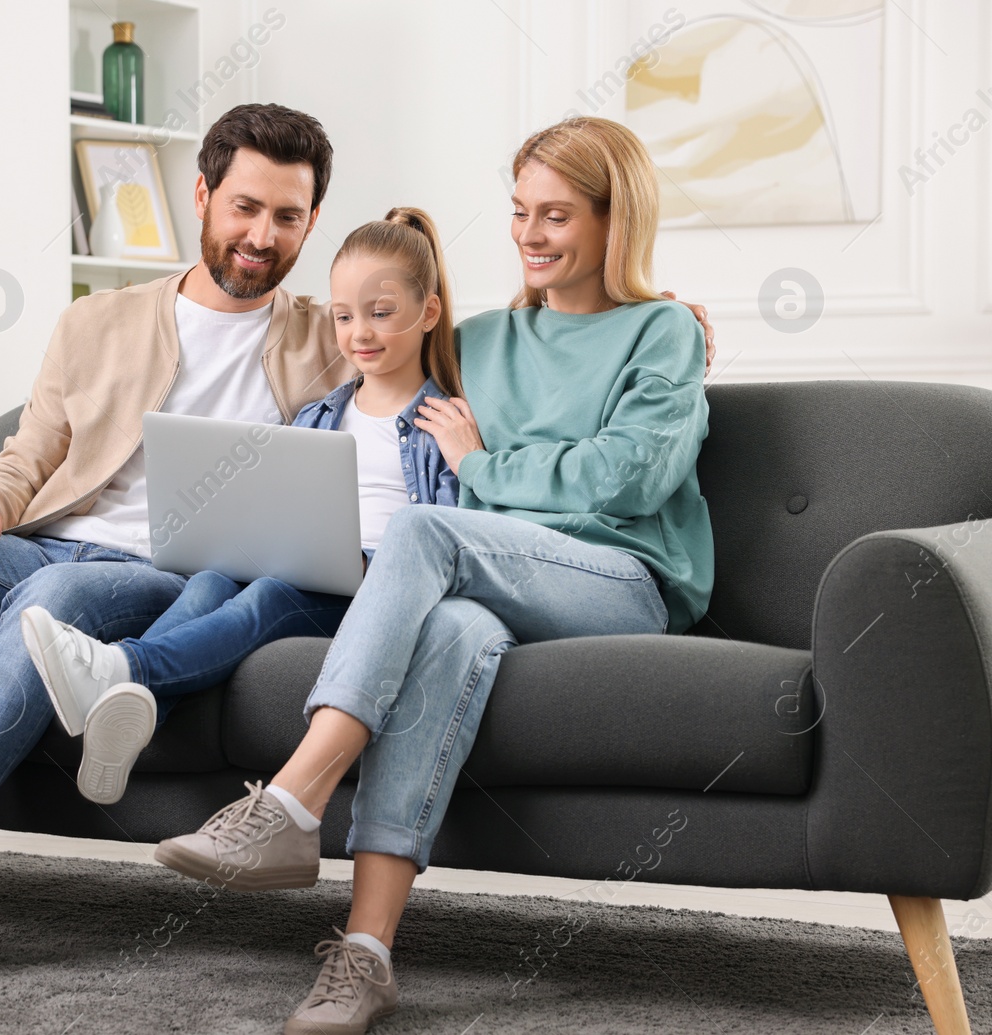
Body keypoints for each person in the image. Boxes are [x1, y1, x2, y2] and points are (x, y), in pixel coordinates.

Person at [0, 103, 713, 993]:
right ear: (201, 195)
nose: (262, 236)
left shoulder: (330, 331)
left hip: (176, 574)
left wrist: (670, 326)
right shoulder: (99, 321)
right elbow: (29, 449)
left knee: (91, 608)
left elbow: (410, 328)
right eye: (247, 207)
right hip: (68, 542)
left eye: (288, 218)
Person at [153, 116, 715, 1035]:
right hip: (496, 578)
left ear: (619, 222)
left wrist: (488, 468)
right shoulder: (482, 340)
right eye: (521, 212)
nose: (531, 234)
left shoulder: (663, 332)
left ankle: (292, 798)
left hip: (620, 578)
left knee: (427, 531)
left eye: (557, 215)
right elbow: (369, 324)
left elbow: (631, 475)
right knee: (451, 630)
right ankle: (365, 954)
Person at [18, 206, 475, 807]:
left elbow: (456, 539)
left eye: (381, 314)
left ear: (429, 313)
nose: (360, 333)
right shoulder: (320, 413)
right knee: (210, 579)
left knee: (265, 598)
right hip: (308, 564)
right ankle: (122, 714)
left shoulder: (446, 421)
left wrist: (462, 465)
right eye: (344, 316)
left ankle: (119, 671)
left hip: (377, 586)